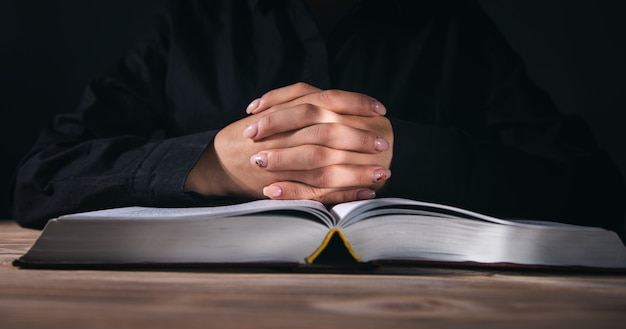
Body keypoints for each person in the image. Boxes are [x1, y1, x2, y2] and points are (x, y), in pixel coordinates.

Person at [11, 0, 626, 233]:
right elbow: (41, 178)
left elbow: (593, 193)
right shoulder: (193, 23)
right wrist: (206, 165)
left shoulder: (450, 26)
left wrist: (411, 155)